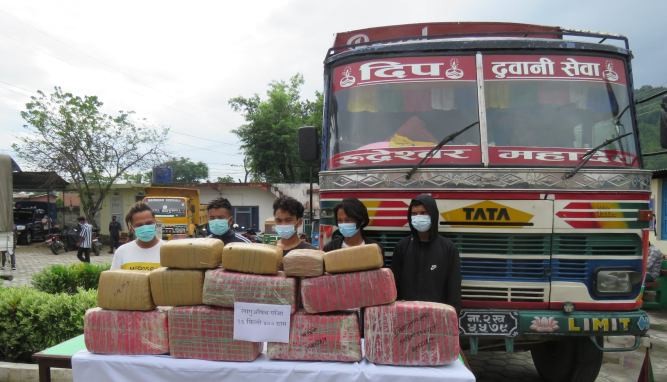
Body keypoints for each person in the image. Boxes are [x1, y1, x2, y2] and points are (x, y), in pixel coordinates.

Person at [390, 194, 461, 313]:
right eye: (414, 214)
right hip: (406, 315)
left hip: (438, 315)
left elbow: (454, 288)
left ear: (433, 215)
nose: (418, 217)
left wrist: (453, 316)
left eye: (423, 213)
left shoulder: (448, 248)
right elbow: (393, 285)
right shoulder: (402, 247)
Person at [110, 202, 163, 270]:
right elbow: (114, 279)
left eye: (149, 223)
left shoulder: (168, 250)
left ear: (155, 222)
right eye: (139, 225)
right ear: (132, 228)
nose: (145, 227)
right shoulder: (122, 252)